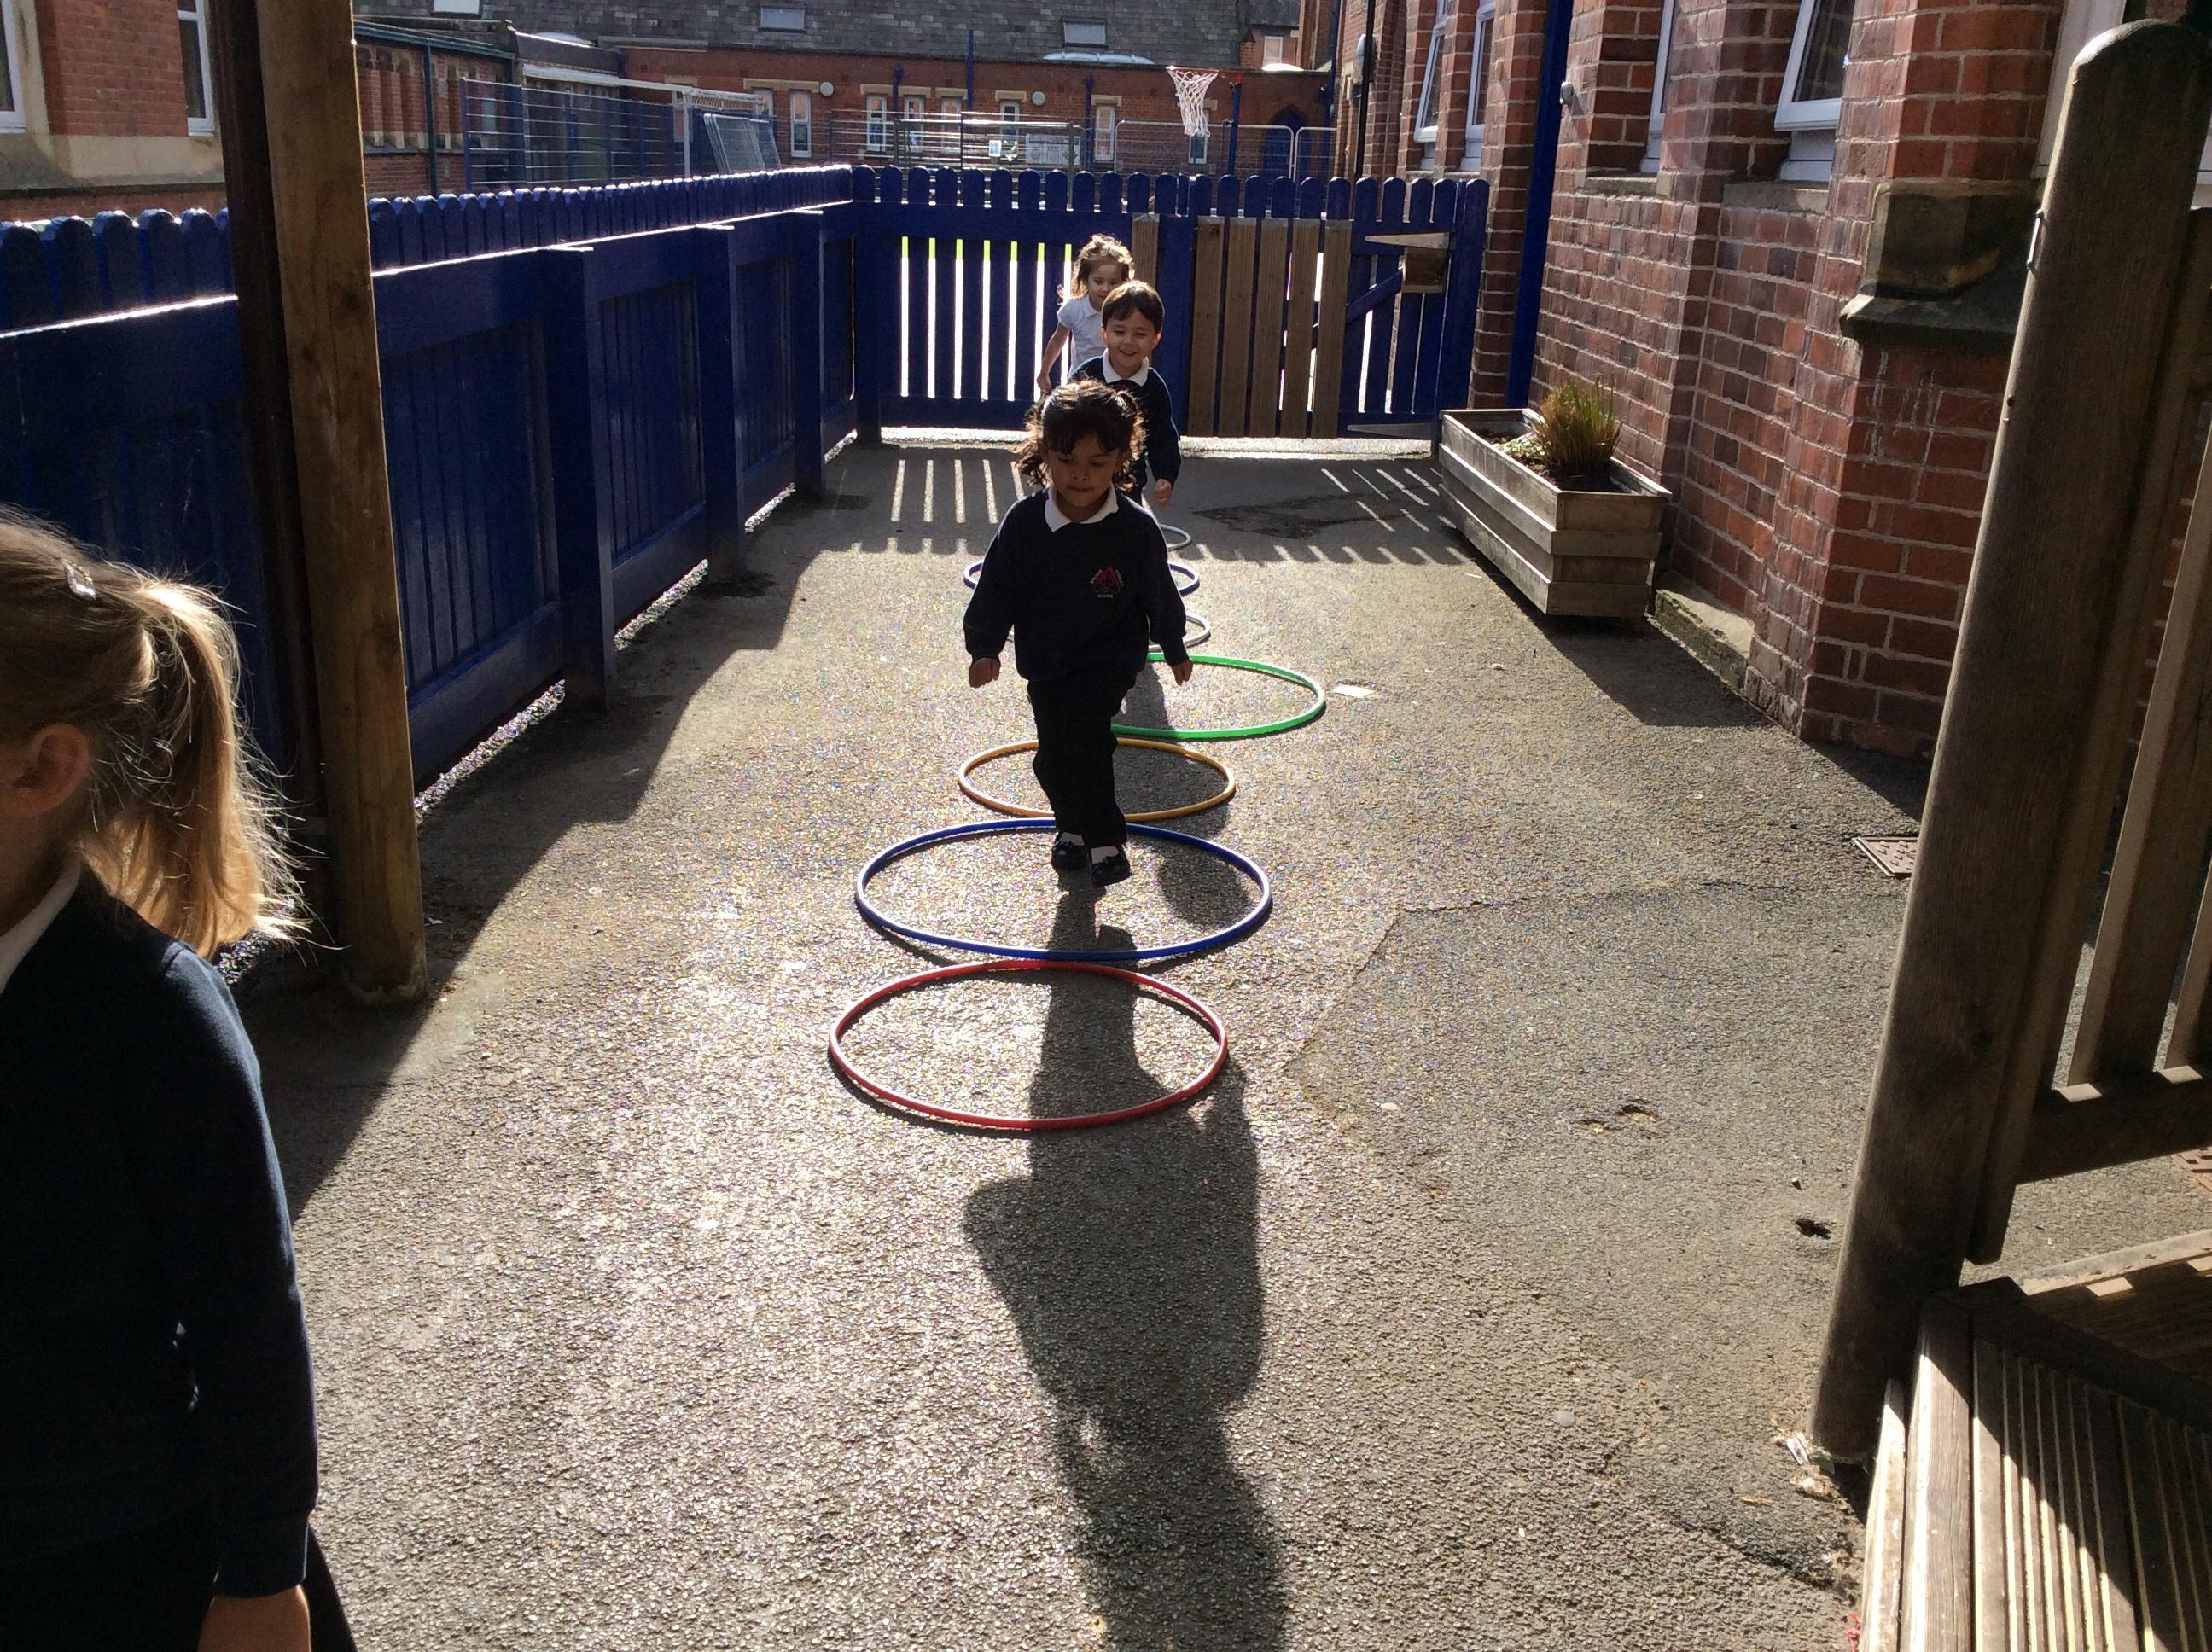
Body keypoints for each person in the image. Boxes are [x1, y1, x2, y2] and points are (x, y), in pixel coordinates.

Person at [0, 515, 320, 1652]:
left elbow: (248, 1322)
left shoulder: (150, 1017)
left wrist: (263, 1577)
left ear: (41, 769)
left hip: (121, 1558)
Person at [965, 381, 1193, 887]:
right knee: (1053, 756)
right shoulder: (1026, 523)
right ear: (1045, 453)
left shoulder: (1134, 528)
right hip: (1047, 659)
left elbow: (1158, 590)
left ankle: (1106, 843)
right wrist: (984, 648)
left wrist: (1174, 644)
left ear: (1121, 458)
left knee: (1086, 741)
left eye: (1097, 462)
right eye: (1066, 460)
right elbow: (997, 587)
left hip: (1108, 658)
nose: (1080, 475)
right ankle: (1070, 828)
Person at [1073, 279, 1181, 514]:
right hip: (1081, 479)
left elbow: (1163, 436)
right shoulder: (1086, 376)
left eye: (1140, 334)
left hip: (1128, 483)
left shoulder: (1153, 387)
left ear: (1156, 338)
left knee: (1125, 530)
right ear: (1104, 333)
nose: (1128, 342)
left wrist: (1165, 475)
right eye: (1119, 332)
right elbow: (1062, 425)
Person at [1034, 233, 1134, 398]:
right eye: (1099, 281)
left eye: (1113, 282)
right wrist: (1044, 372)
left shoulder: (1126, 311)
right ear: (1086, 280)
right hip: (1080, 382)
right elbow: (1058, 339)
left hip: (1115, 382)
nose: (1105, 289)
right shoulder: (1074, 309)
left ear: (1123, 282)